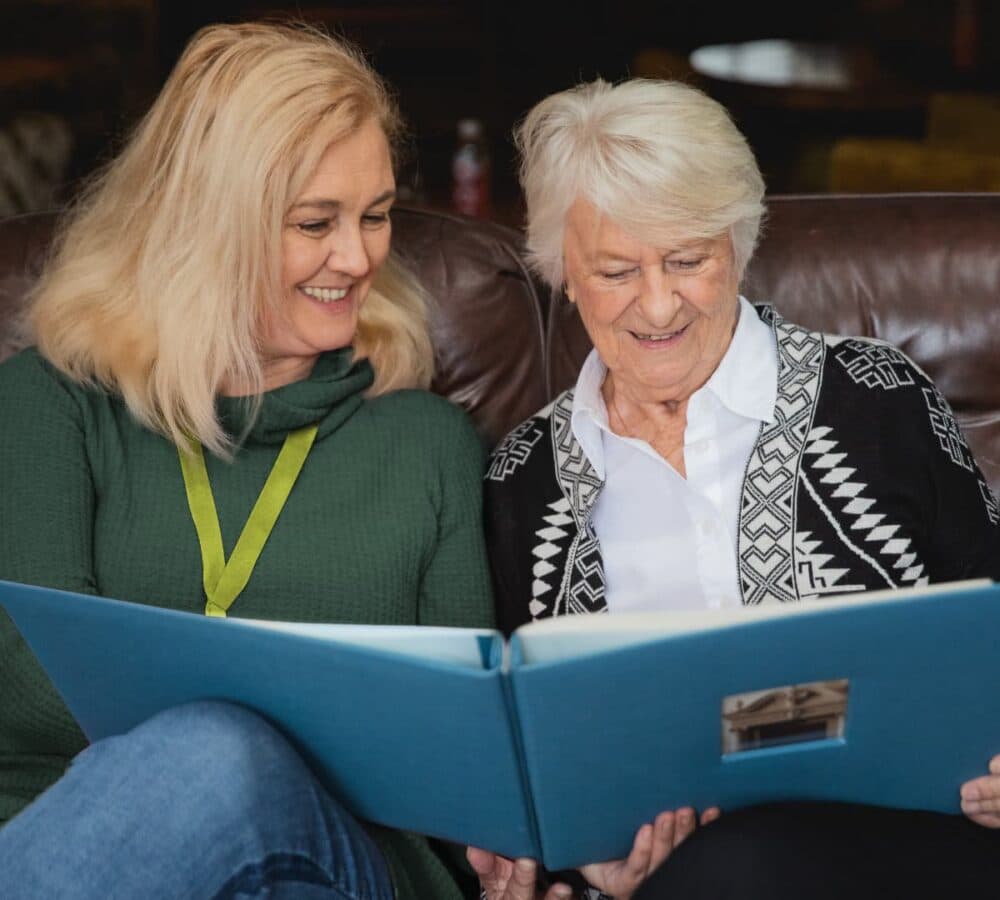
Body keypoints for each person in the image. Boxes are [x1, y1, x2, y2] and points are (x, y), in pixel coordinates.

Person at [0, 22, 493, 900]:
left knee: (220, 753)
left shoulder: (424, 443)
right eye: (316, 223)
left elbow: (458, 742)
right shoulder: (51, 404)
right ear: (208, 223)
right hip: (71, 842)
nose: (358, 257)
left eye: (375, 216)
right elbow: (39, 687)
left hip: (347, 860)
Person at [480, 78, 1000, 899]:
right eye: (616, 270)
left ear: (739, 245)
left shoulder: (876, 398)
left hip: (913, 840)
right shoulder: (523, 481)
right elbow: (533, 751)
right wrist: (587, 866)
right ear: (564, 276)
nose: (657, 304)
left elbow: (989, 610)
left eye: (688, 260)